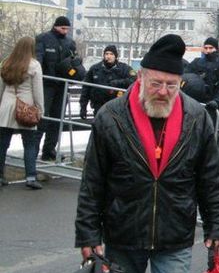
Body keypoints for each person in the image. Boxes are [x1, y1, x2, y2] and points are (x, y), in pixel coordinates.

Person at [75, 34, 219, 273]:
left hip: (175, 233)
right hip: (123, 232)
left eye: (171, 85)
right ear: (141, 77)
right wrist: (88, 233)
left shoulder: (196, 118)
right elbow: (93, 181)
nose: (163, 91)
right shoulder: (112, 117)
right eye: (156, 83)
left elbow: (211, 177)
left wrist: (216, 225)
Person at [0, 37, 45, 189]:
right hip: (26, 107)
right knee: (29, 143)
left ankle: (0, 176)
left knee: (2, 144)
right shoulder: (34, 65)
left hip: (6, 106)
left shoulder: (7, 62)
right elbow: (38, 91)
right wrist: (40, 109)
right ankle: (31, 177)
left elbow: (1, 87)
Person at [35, 16, 80, 161]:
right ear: (56, 26)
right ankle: (33, 149)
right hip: (46, 84)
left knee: (57, 118)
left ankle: (49, 150)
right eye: (63, 28)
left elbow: (74, 60)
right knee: (43, 117)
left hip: (62, 86)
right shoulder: (43, 39)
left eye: (67, 29)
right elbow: (38, 60)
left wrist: (76, 67)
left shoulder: (69, 42)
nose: (65, 31)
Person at [185, 37, 219, 131]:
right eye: (206, 48)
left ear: (216, 48)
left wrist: (218, 101)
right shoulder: (197, 63)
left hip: (218, 107)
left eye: (211, 48)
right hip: (200, 105)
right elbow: (186, 78)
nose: (208, 50)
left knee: (217, 137)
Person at [79, 45, 136, 118]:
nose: (108, 56)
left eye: (111, 54)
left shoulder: (124, 68)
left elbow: (134, 79)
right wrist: (83, 107)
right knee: (98, 127)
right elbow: (86, 88)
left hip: (116, 106)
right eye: (106, 54)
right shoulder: (95, 69)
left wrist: (117, 83)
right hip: (98, 106)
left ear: (115, 56)